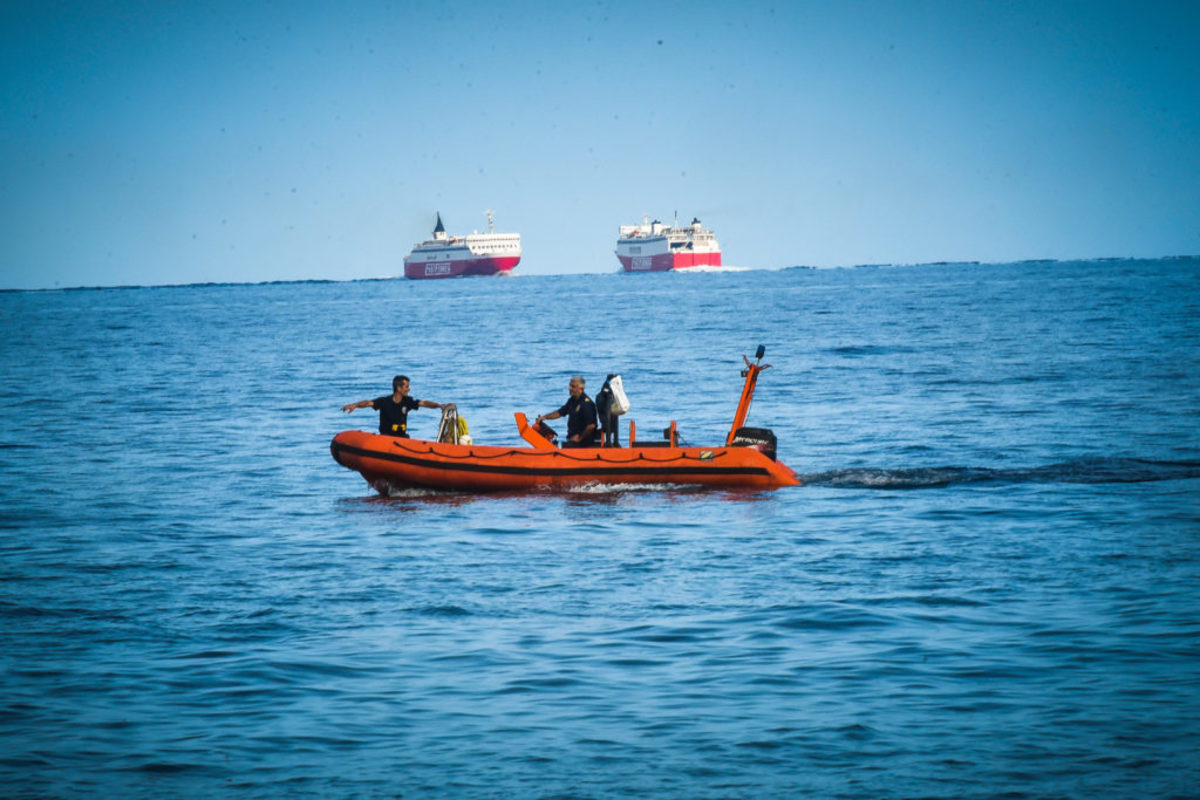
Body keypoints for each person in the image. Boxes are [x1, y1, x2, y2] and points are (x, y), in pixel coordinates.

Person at [342, 375, 445, 438]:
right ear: (399, 388)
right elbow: (369, 403)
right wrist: (355, 405)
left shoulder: (408, 401)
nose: (409, 389)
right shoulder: (384, 401)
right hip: (386, 438)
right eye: (406, 386)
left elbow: (423, 403)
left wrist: (439, 405)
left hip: (402, 438)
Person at [536, 375, 598, 448]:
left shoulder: (586, 404)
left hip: (583, 442)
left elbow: (591, 425)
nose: (570, 388)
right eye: (570, 386)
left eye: (573, 386)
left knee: (563, 446)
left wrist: (580, 438)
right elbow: (560, 412)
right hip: (572, 439)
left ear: (581, 389)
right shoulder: (572, 400)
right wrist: (544, 417)